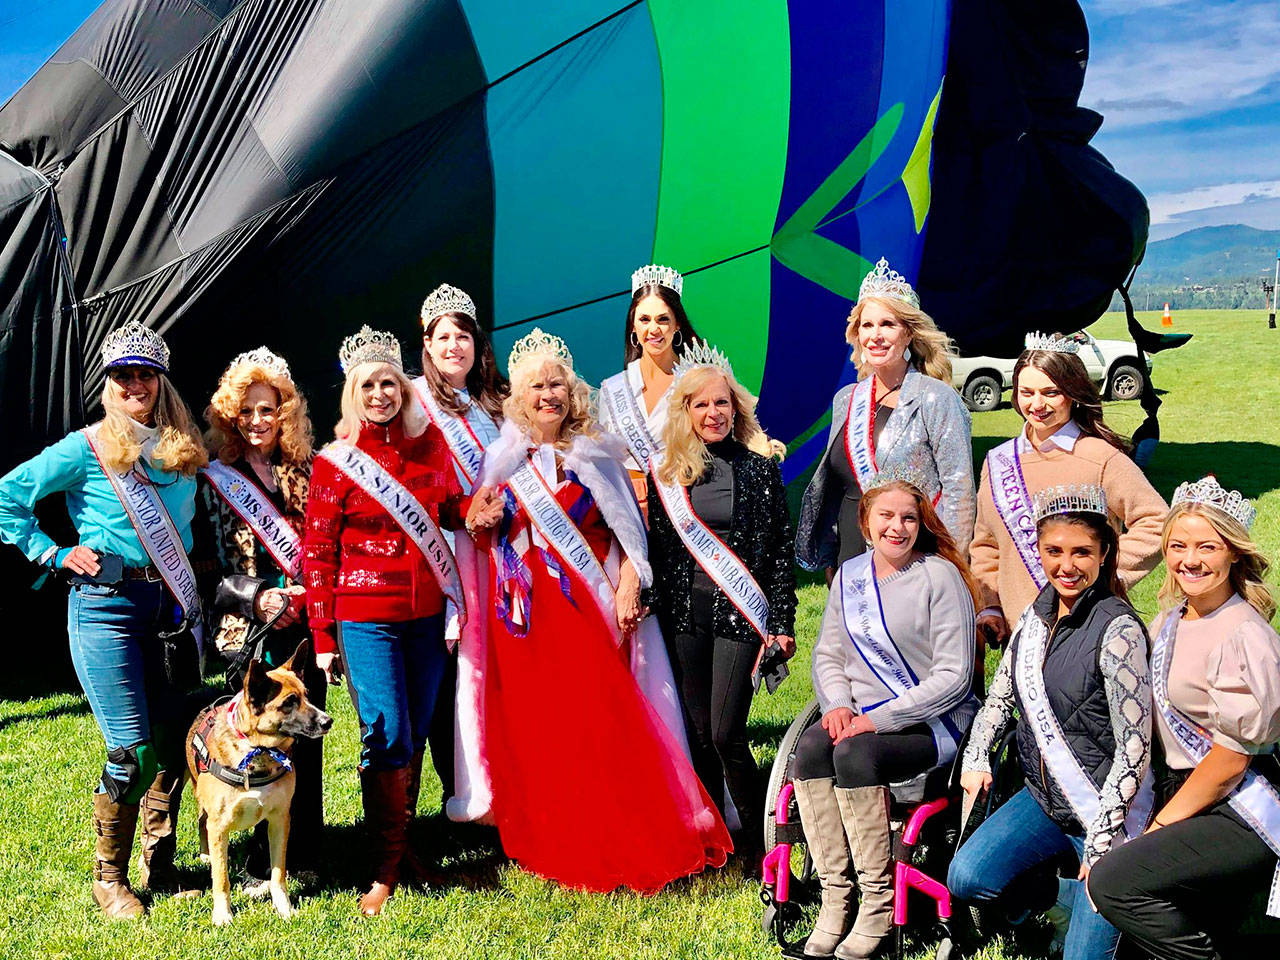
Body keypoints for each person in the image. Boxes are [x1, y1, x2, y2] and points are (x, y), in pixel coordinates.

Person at [464, 327, 731, 892]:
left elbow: (631, 534)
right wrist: (481, 524)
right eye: (537, 387)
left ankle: (612, 826)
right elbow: (485, 541)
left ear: (573, 392)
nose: (548, 396)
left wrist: (632, 580)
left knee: (597, 722)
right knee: (544, 728)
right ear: (519, 396)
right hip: (527, 619)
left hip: (588, 610)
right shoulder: (501, 459)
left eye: (557, 385)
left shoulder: (596, 454)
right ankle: (557, 830)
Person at [0, 321, 206, 917]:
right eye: (122, 375)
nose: (134, 384)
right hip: (105, 610)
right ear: (108, 384)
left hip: (167, 608)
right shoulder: (84, 447)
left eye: (145, 374)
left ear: (161, 382)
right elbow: (8, 495)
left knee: (169, 739)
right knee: (130, 751)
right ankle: (109, 879)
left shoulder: (180, 446)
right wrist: (53, 552)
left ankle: (159, 865)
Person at [302, 325, 488, 916]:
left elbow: (445, 507)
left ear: (403, 389)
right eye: (368, 386)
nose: (380, 394)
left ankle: (403, 851)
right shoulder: (335, 462)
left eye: (388, 383)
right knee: (386, 735)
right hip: (365, 620)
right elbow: (317, 553)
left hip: (426, 617)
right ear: (352, 393)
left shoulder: (429, 445)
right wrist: (323, 637)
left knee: (414, 735)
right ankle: (383, 867)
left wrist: (473, 510)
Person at [948, 483, 1155, 960]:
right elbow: (1001, 697)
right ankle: (1064, 898)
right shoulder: (1035, 617)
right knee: (967, 877)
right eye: (1054, 551)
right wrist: (977, 756)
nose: (1067, 565)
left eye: (1082, 552)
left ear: (1104, 554)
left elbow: (1135, 749)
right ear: (1038, 551)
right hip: (1044, 798)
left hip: (1107, 813)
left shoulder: (1117, 629)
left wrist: (1101, 840)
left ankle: (1122, 908)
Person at [1090, 477, 1280, 960]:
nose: (1189, 560)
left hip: (1235, 805)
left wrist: (1159, 824)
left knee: (1114, 882)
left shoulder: (1244, 635)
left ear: (1233, 552)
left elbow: (1231, 762)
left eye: (1206, 547)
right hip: (1183, 789)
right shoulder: (1171, 619)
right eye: (1178, 546)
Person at [793, 469, 979, 959]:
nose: (897, 527)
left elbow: (955, 676)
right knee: (810, 750)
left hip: (931, 722)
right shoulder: (850, 576)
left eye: (909, 518)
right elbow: (828, 655)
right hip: (858, 717)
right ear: (866, 520)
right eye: (886, 516)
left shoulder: (940, 577)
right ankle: (837, 897)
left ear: (922, 524)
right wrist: (836, 704)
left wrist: (879, 720)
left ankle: (877, 903)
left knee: (854, 755)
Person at [644, 339, 797, 870]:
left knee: (726, 733)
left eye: (722, 403)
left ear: (737, 408)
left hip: (739, 614)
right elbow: (661, 551)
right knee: (698, 735)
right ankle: (716, 843)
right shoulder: (667, 473)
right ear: (685, 411)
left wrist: (782, 622)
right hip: (685, 616)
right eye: (702, 404)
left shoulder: (759, 469)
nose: (713, 413)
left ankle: (760, 844)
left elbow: (779, 552)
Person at [200, 346, 323, 884]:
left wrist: (306, 595)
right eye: (245, 411)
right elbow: (203, 570)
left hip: (303, 625)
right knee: (249, 740)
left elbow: (325, 548)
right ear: (231, 416)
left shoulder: (310, 470)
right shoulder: (213, 479)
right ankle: (250, 859)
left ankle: (303, 850)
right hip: (247, 631)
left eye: (267, 409)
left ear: (285, 413)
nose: (256, 421)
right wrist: (256, 596)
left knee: (303, 734)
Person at [970, 332, 1166, 646]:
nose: (1037, 404)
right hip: (1021, 634)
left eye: (1051, 392)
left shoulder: (1100, 458)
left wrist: (1104, 574)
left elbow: (1158, 522)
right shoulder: (998, 462)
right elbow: (985, 545)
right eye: (1027, 392)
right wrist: (991, 603)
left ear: (1073, 393)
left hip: (1089, 629)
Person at [797, 257, 975, 579]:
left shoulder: (935, 398)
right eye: (867, 325)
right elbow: (837, 484)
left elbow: (958, 489)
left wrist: (950, 568)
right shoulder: (847, 399)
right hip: (849, 556)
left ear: (908, 334)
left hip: (914, 558)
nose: (875, 335)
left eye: (888, 324)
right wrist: (830, 554)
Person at [409, 283, 506, 824]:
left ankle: (494, 786)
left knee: (491, 674)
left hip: (493, 559)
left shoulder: (495, 403)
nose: (454, 346)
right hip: (436, 560)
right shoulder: (410, 400)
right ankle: (458, 790)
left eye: (463, 336)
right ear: (427, 343)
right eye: (443, 337)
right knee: (447, 681)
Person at [598, 264, 702, 517]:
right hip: (632, 511)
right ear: (633, 326)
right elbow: (605, 460)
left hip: (689, 509)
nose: (653, 329)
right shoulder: (612, 390)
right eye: (644, 319)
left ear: (677, 324)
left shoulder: (698, 380)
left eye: (663, 319)